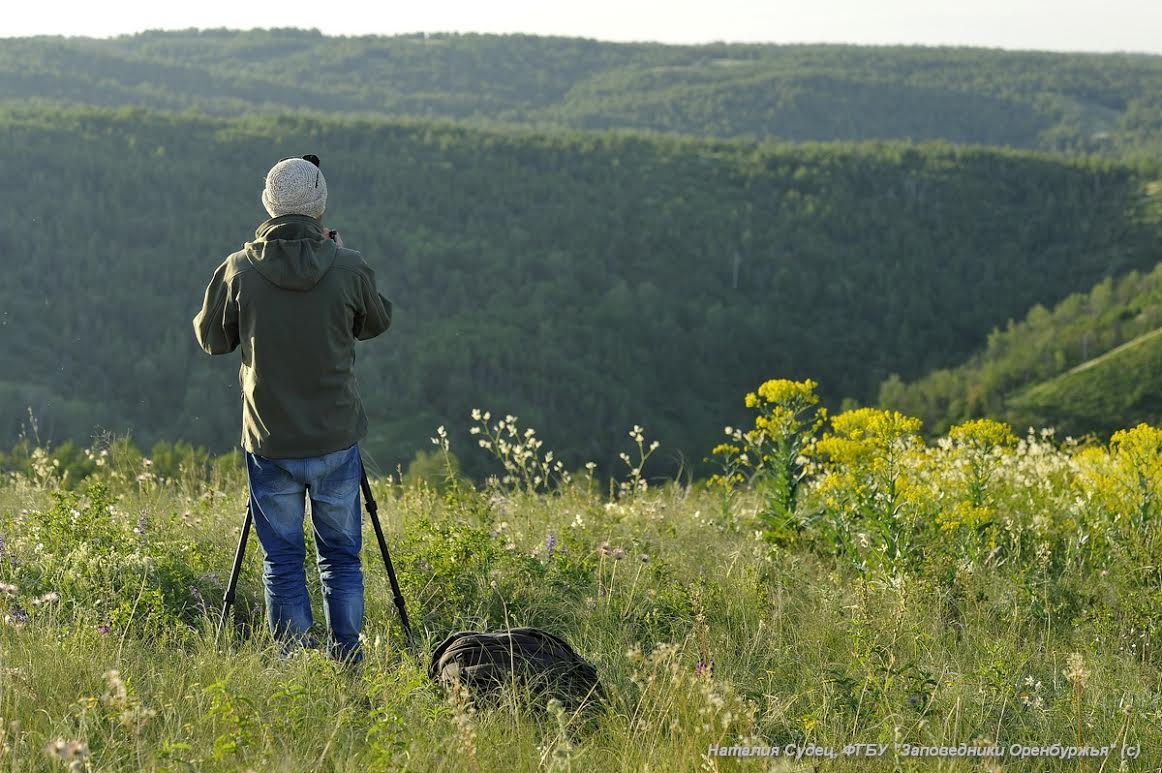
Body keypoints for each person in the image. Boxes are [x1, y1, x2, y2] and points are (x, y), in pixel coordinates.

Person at [193, 155, 392, 663]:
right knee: (341, 559)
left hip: (271, 439)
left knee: (282, 560)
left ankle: (295, 667)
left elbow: (212, 339)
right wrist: (341, 261)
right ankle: (348, 661)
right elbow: (375, 323)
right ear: (320, 207)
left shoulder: (240, 269)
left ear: (269, 203)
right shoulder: (347, 266)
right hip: (334, 436)